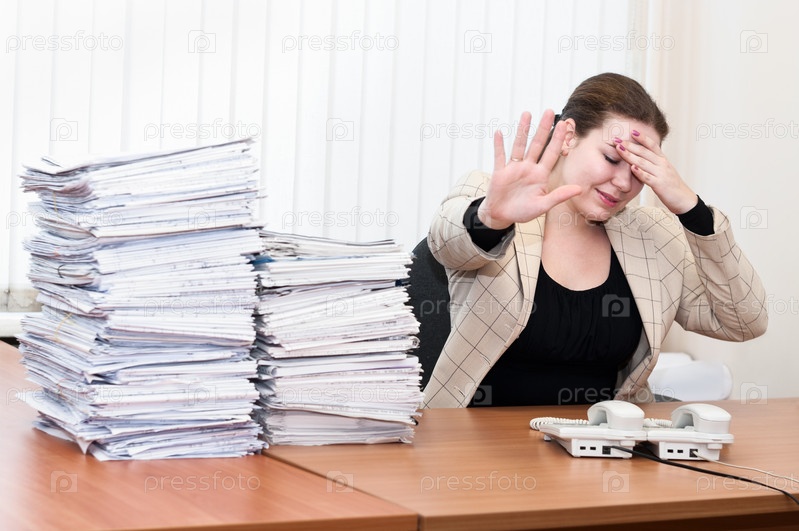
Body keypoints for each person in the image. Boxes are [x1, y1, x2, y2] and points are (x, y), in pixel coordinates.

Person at [422, 72, 768, 408]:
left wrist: (693, 211)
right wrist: (491, 219)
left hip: (603, 440)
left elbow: (744, 320)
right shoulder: (494, 197)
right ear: (569, 138)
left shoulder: (653, 236)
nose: (623, 183)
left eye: (639, 170)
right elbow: (445, 243)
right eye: (612, 158)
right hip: (480, 437)